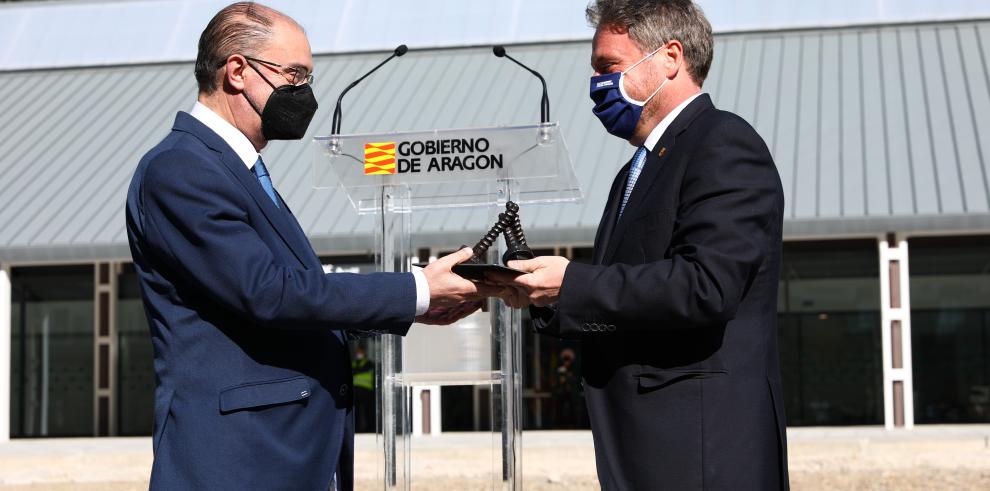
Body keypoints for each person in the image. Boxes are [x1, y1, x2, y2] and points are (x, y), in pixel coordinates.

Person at [125, 3, 490, 489]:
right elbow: (269, 292)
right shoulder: (182, 169)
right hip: (241, 459)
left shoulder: (239, 170)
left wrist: (414, 307)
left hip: (287, 453)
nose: (305, 93)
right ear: (237, 71)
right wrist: (415, 290)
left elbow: (282, 300)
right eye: (294, 74)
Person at [496, 1, 789, 489]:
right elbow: (629, 296)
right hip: (649, 449)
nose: (596, 83)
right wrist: (543, 294)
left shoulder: (723, 143)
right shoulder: (635, 170)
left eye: (608, 67)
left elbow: (706, 286)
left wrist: (574, 282)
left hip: (701, 454)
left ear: (670, 57)